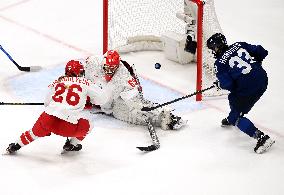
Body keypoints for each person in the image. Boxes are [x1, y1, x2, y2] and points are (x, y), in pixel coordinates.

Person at [6, 60, 111, 154]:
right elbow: (103, 99)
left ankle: (15, 146)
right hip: (67, 127)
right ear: (80, 72)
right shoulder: (85, 82)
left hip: (46, 119)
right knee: (89, 124)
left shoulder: (57, 81)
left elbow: (47, 103)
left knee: (32, 133)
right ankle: (71, 145)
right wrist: (89, 102)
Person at [84, 50, 187, 131]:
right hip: (102, 98)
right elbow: (80, 75)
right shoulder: (93, 62)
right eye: (107, 68)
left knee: (132, 112)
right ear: (103, 63)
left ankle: (166, 118)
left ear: (117, 66)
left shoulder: (123, 76)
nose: (109, 71)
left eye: (112, 69)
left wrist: (138, 106)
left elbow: (132, 97)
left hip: (118, 98)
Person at [207, 33, 275, 154]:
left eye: (213, 48)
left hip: (248, 88)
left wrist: (220, 84)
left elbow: (229, 85)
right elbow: (262, 51)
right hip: (263, 78)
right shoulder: (239, 44)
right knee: (233, 98)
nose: (213, 51)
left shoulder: (219, 64)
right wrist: (255, 66)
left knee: (235, 115)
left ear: (217, 47)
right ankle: (234, 115)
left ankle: (261, 137)